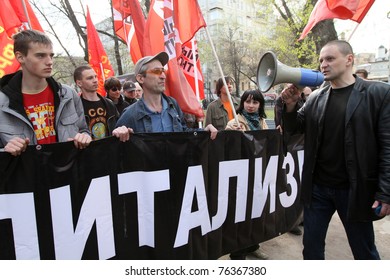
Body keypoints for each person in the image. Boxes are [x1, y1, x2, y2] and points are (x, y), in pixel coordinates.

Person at [281, 40, 390, 259]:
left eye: (330, 58)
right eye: (321, 60)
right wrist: (291, 106)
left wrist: (385, 191)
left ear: (349, 59)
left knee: (364, 251)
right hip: (318, 189)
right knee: (311, 249)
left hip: (355, 189)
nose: (323, 64)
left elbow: (387, 146)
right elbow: (293, 130)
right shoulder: (315, 99)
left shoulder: (378, 93)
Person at [0, 30, 92, 156]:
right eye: (40, 56)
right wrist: (5, 150)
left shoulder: (68, 95)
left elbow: (84, 130)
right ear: (20, 57)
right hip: (27, 174)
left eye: (51, 55)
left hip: (68, 172)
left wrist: (84, 138)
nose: (49, 61)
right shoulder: (2, 103)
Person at [116, 51, 217, 139]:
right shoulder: (130, 115)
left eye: (163, 71)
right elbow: (117, 151)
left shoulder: (172, 104)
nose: (163, 76)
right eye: (156, 71)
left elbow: (183, 133)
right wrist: (118, 133)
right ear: (141, 78)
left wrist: (204, 131)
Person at [225, 89, 269, 260]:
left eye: (255, 102)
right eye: (247, 102)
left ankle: (253, 246)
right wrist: (231, 134)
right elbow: (226, 149)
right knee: (241, 215)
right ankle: (238, 253)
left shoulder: (262, 121)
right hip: (241, 177)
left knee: (257, 212)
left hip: (258, 174)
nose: (251, 106)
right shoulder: (234, 123)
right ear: (242, 103)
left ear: (260, 105)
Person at [74, 65, 131, 141]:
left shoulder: (109, 104)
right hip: (88, 151)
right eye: (90, 78)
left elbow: (119, 126)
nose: (95, 80)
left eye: (95, 77)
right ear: (79, 83)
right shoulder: (76, 108)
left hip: (109, 149)